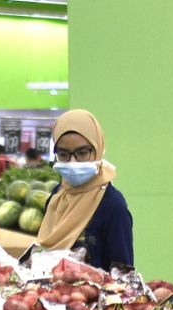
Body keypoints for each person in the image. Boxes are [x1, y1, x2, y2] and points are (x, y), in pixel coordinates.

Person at [37, 109, 133, 271]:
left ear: (97, 149)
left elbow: (124, 276)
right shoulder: (56, 198)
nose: (72, 161)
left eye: (82, 153)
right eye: (63, 154)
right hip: (51, 294)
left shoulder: (112, 205)